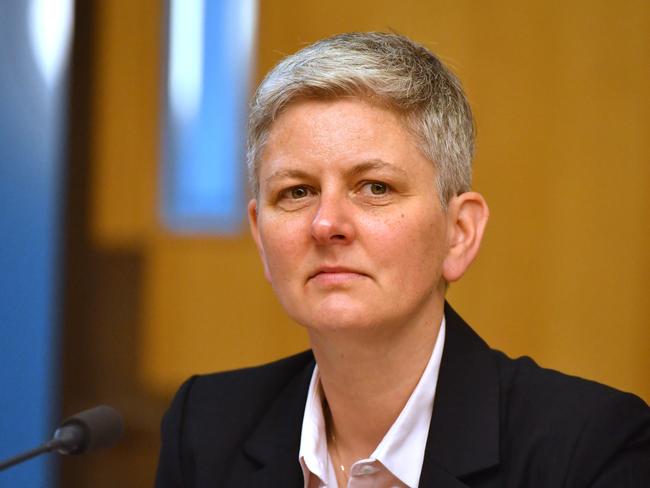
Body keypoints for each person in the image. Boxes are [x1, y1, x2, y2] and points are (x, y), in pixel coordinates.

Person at [155, 32, 650, 487]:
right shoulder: (205, 427)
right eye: (297, 191)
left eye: (375, 187)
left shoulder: (587, 447)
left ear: (459, 233)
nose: (326, 224)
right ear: (261, 238)